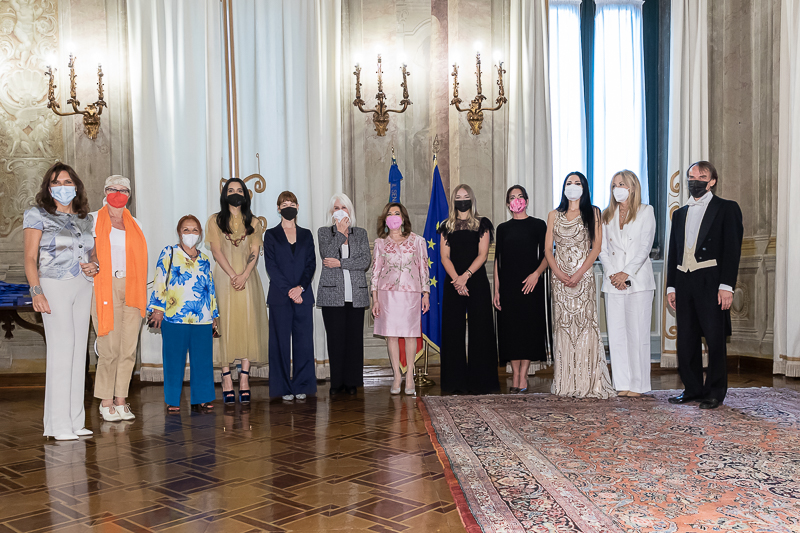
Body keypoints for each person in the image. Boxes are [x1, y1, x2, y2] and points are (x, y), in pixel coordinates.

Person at [23, 163, 98, 440]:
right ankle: (57, 425)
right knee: (61, 350)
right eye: (56, 182)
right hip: (53, 284)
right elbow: (30, 259)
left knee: (79, 352)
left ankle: (75, 420)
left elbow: (94, 256)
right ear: (48, 188)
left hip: (83, 285)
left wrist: (94, 265)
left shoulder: (85, 218)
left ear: (76, 186)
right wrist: (36, 292)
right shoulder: (37, 215)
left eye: (67, 182)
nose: (62, 187)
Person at [667, 161, 743, 409]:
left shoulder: (726, 208)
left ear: (712, 181)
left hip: (712, 282)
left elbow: (732, 250)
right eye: (691, 176)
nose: (695, 180)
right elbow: (674, 252)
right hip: (684, 280)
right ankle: (691, 389)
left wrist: (727, 286)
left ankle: (714, 392)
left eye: (701, 176)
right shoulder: (679, 213)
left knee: (714, 338)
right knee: (686, 338)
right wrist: (671, 286)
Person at [545, 172, 615, 399]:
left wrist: (577, 274)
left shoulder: (593, 212)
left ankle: (590, 382)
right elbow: (548, 249)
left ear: (584, 188)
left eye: (577, 183)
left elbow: (596, 248)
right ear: (563, 188)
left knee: (585, 328)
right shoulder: (553, 215)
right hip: (560, 281)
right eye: (568, 183)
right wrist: (559, 273)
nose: (572, 186)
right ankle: (565, 382)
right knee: (564, 329)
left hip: (583, 280)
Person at [90, 176, 147, 422]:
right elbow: (85, 251)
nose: (118, 193)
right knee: (108, 346)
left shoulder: (136, 224)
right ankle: (105, 400)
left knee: (128, 347)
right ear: (105, 191)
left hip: (133, 287)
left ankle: (122, 399)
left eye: (123, 190)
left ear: (129, 195)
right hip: (105, 285)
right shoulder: (92, 220)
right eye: (113, 189)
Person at [206, 178, 269, 405]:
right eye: (230, 190)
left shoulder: (253, 221)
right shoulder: (214, 220)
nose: (235, 193)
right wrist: (233, 274)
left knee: (247, 324)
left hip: (248, 279)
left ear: (245, 194)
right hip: (224, 279)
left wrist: (243, 275)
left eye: (239, 190)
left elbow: (254, 250)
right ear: (224, 194)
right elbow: (215, 250)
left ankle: (244, 378)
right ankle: (225, 377)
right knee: (225, 324)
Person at [147, 215, 218, 412]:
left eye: (195, 230)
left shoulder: (204, 259)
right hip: (174, 316)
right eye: (186, 230)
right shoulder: (169, 253)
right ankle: (172, 400)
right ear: (179, 232)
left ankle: (201, 398)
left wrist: (214, 314)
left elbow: (209, 288)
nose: (190, 234)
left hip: (202, 318)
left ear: (200, 234)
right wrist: (158, 310)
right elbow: (160, 280)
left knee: (202, 360)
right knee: (173, 359)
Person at [599, 170, 657, 397]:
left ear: (632, 187)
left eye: (621, 184)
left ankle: (639, 385)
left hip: (638, 281)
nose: (617, 189)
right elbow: (602, 250)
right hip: (612, 282)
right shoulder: (606, 215)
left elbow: (644, 247)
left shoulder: (646, 211)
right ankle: (621, 384)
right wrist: (614, 275)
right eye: (614, 185)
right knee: (616, 334)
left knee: (638, 334)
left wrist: (626, 274)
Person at [439, 184, 499, 395]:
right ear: (453, 200)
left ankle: (482, 383)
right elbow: (444, 257)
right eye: (458, 196)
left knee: (480, 330)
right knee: (453, 332)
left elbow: (483, 255)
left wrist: (466, 277)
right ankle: (454, 383)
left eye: (465, 196)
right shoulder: (446, 226)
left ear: (471, 199)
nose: (462, 199)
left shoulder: (482, 224)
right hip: (453, 283)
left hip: (476, 281)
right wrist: (457, 279)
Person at [371, 202, 430, 396]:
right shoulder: (380, 243)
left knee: (411, 334)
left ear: (403, 217)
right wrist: (375, 298)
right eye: (390, 213)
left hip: (410, 294)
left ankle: (410, 375)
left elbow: (423, 269)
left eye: (397, 213)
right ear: (385, 219)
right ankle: (397, 375)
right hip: (387, 295)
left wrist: (426, 294)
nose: (394, 216)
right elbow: (375, 272)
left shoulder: (417, 241)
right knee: (392, 335)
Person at [493, 185, 548, 393]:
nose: (516, 200)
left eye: (520, 196)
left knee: (527, 331)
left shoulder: (538, 225)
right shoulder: (502, 228)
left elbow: (547, 255)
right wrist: (496, 291)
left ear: (526, 200)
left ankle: (523, 375)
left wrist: (536, 274)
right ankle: (514, 373)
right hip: (508, 288)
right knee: (511, 332)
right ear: (508, 204)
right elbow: (498, 261)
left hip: (531, 285)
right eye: (512, 197)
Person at [263, 191, 317, 401]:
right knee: (279, 344)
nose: (288, 206)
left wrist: (300, 288)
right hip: (280, 297)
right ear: (278, 209)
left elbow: (311, 264)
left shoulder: (306, 234)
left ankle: (302, 384)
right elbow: (271, 267)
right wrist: (289, 290)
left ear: (297, 207)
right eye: (284, 203)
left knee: (304, 343)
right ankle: (283, 387)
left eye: (292, 203)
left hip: (303, 296)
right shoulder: (271, 234)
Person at [317, 193, 371, 396]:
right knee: (336, 340)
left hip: (356, 296)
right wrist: (340, 234)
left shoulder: (361, 233)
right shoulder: (324, 232)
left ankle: (352, 382)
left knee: (354, 340)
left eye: (344, 207)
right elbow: (326, 255)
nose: (340, 211)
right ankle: (336, 383)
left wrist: (340, 263)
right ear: (331, 213)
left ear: (350, 211)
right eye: (336, 208)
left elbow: (364, 261)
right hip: (332, 296)